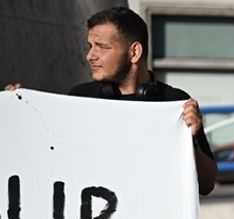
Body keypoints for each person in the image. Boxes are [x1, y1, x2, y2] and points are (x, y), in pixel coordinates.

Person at [65, 7, 217, 196]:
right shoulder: (80, 99)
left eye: (102, 46)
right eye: (90, 46)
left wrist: (191, 139)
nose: (90, 56)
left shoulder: (174, 103)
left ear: (134, 52)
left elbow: (207, 185)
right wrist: (20, 106)